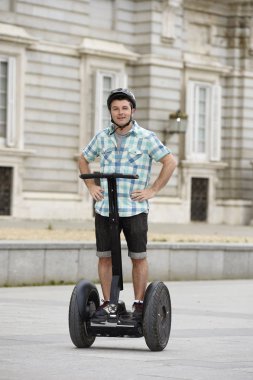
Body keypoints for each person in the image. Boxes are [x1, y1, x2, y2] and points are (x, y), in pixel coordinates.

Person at [79, 88, 177, 321]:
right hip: (105, 209)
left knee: (138, 257)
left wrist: (152, 190)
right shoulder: (102, 136)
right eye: (115, 108)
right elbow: (83, 158)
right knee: (104, 257)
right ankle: (109, 303)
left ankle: (140, 303)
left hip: (134, 209)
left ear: (132, 110)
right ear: (110, 112)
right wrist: (91, 187)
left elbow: (170, 161)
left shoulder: (146, 137)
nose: (120, 112)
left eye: (124, 108)